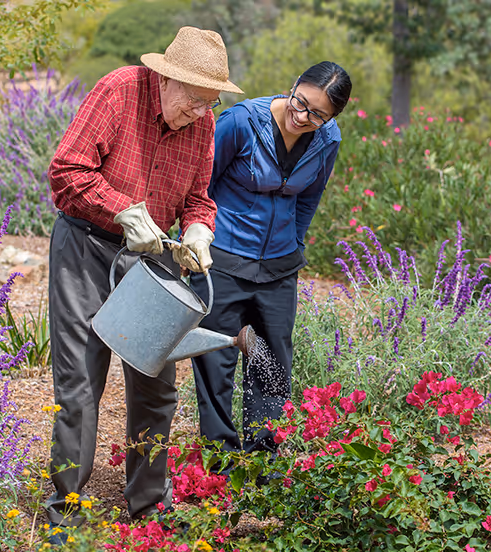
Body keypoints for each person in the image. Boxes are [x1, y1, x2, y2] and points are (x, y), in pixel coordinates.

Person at [44, 26, 243, 531]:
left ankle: (149, 505)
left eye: (210, 104)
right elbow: (67, 172)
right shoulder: (119, 91)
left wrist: (199, 232)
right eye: (196, 102)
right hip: (87, 245)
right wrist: (123, 213)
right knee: (81, 384)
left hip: (152, 260)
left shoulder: (201, 122)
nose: (202, 114)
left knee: (156, 384)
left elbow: (199, 197)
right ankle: (66, 510)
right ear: (168, 79)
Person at [190, 62, 352, 459]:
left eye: (317, 114)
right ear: (293, 85)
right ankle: (220, 466)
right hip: (223, 260)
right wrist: (195, 242)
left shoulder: (327, 139)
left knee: (271, 367)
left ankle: (264, 466)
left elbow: (309, 198)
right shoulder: (241, 121)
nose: (303, 117)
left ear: (332, 117)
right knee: (216, 363)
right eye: (301, 102)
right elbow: (200, 185)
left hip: (279, 269)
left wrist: (294, 242)